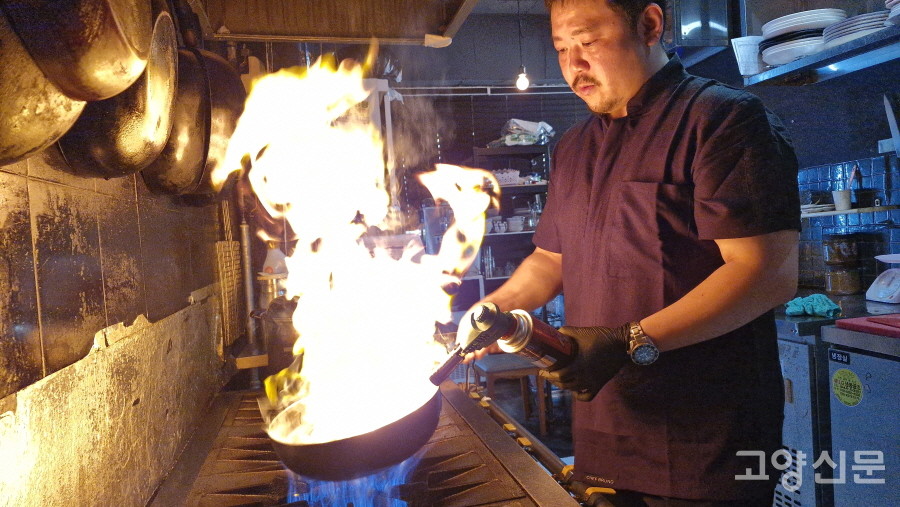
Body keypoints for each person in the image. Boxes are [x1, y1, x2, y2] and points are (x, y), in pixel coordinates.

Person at [467, 0, 800, 505]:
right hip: (604, 439)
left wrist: (630, 340)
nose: (573, 65)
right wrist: (494, 309)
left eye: (587, 42)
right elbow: (551, 259)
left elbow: (766, 272)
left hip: (706, 446)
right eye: (561, 48)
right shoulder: (574, 146)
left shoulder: (723, 119)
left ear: (648, 25)